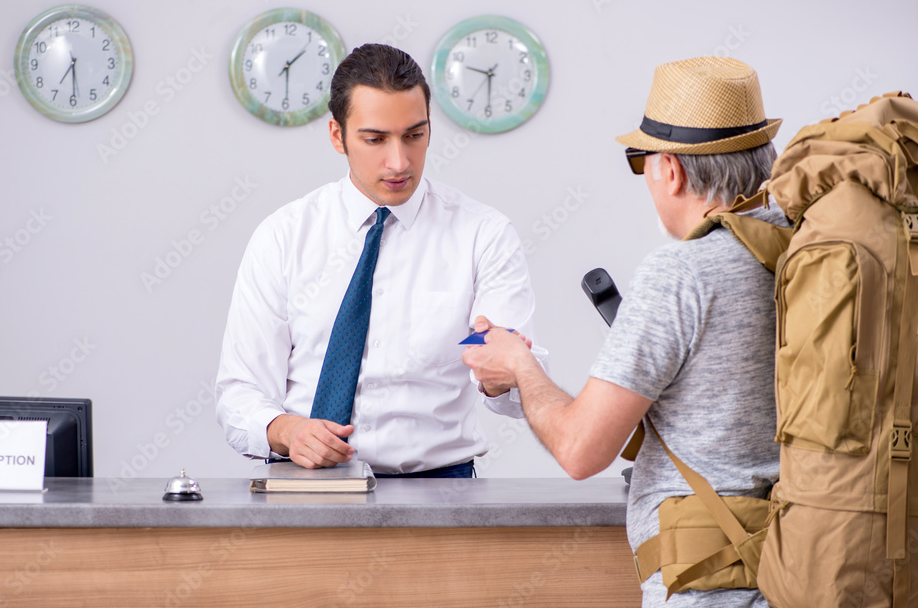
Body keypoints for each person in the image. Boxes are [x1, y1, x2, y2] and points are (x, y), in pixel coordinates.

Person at [462, 56, 784, 606]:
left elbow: (581, 450)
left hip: (710, 584)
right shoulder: (803, 252)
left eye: (642, 162)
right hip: (807, 568)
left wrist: (520, 366)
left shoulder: (681, 273)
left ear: (671, 171)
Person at [215, 43, 547, 478]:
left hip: (440, 493)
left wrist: (503, 376)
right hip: (304, 484)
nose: (399, 162)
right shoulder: (283, 236)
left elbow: (515, 391)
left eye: (415, 135)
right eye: (375, 139)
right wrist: (286, 429)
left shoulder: (482, 234)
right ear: (338, 135)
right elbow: (240, 392)